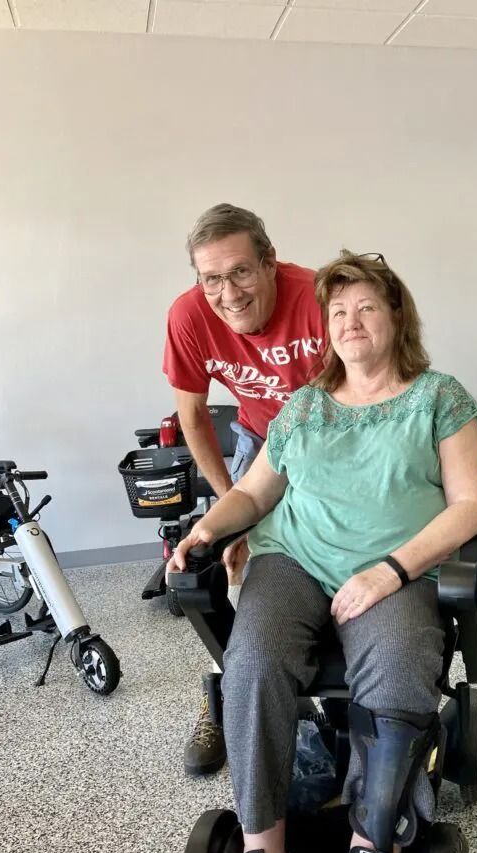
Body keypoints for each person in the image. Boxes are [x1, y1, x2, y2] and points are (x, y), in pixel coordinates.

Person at [168, 250, 477, 853]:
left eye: (366, 308)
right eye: (337, 312)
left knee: (405, 663)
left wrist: (392, 568)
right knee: (250, 663)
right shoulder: (305, 405)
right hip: (296, 560)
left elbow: (472, 504)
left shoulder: (439, 396)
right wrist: (209, 527)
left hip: (393, 565)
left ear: (396, 316)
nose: (350, 323)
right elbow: (255, 493)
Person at [162, 204, 326, 776]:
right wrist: (233, 507)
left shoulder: (318, 298)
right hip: (261, 438)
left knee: (326, 559)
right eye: (211, 278)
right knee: (234, 567)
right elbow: (195, 416)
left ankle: (329, 687)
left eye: (240, 272)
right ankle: (230, 692)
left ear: (270, 263)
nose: (227, 293)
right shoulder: (188, 316)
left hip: (333, 440)